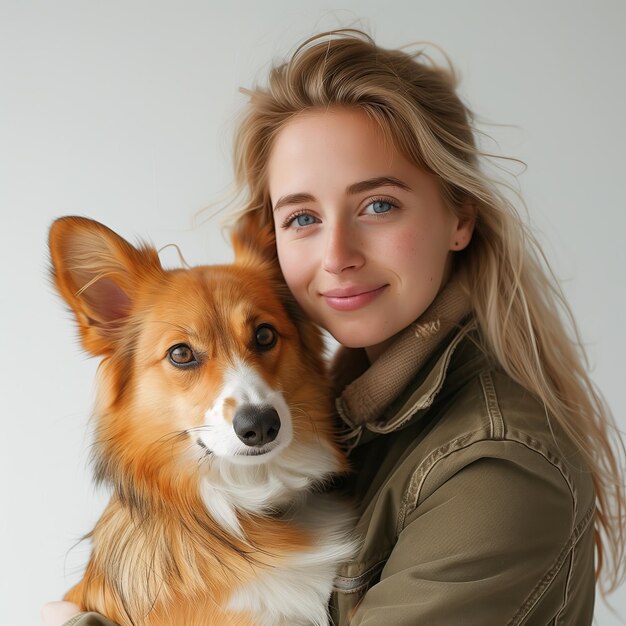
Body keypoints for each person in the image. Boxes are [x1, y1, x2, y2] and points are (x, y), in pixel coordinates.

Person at [43, 29, 625, 626]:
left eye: (378, 205)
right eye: (302, 217)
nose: (336, 254)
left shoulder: (493, 467)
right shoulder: (358, 421)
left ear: (459, 217)